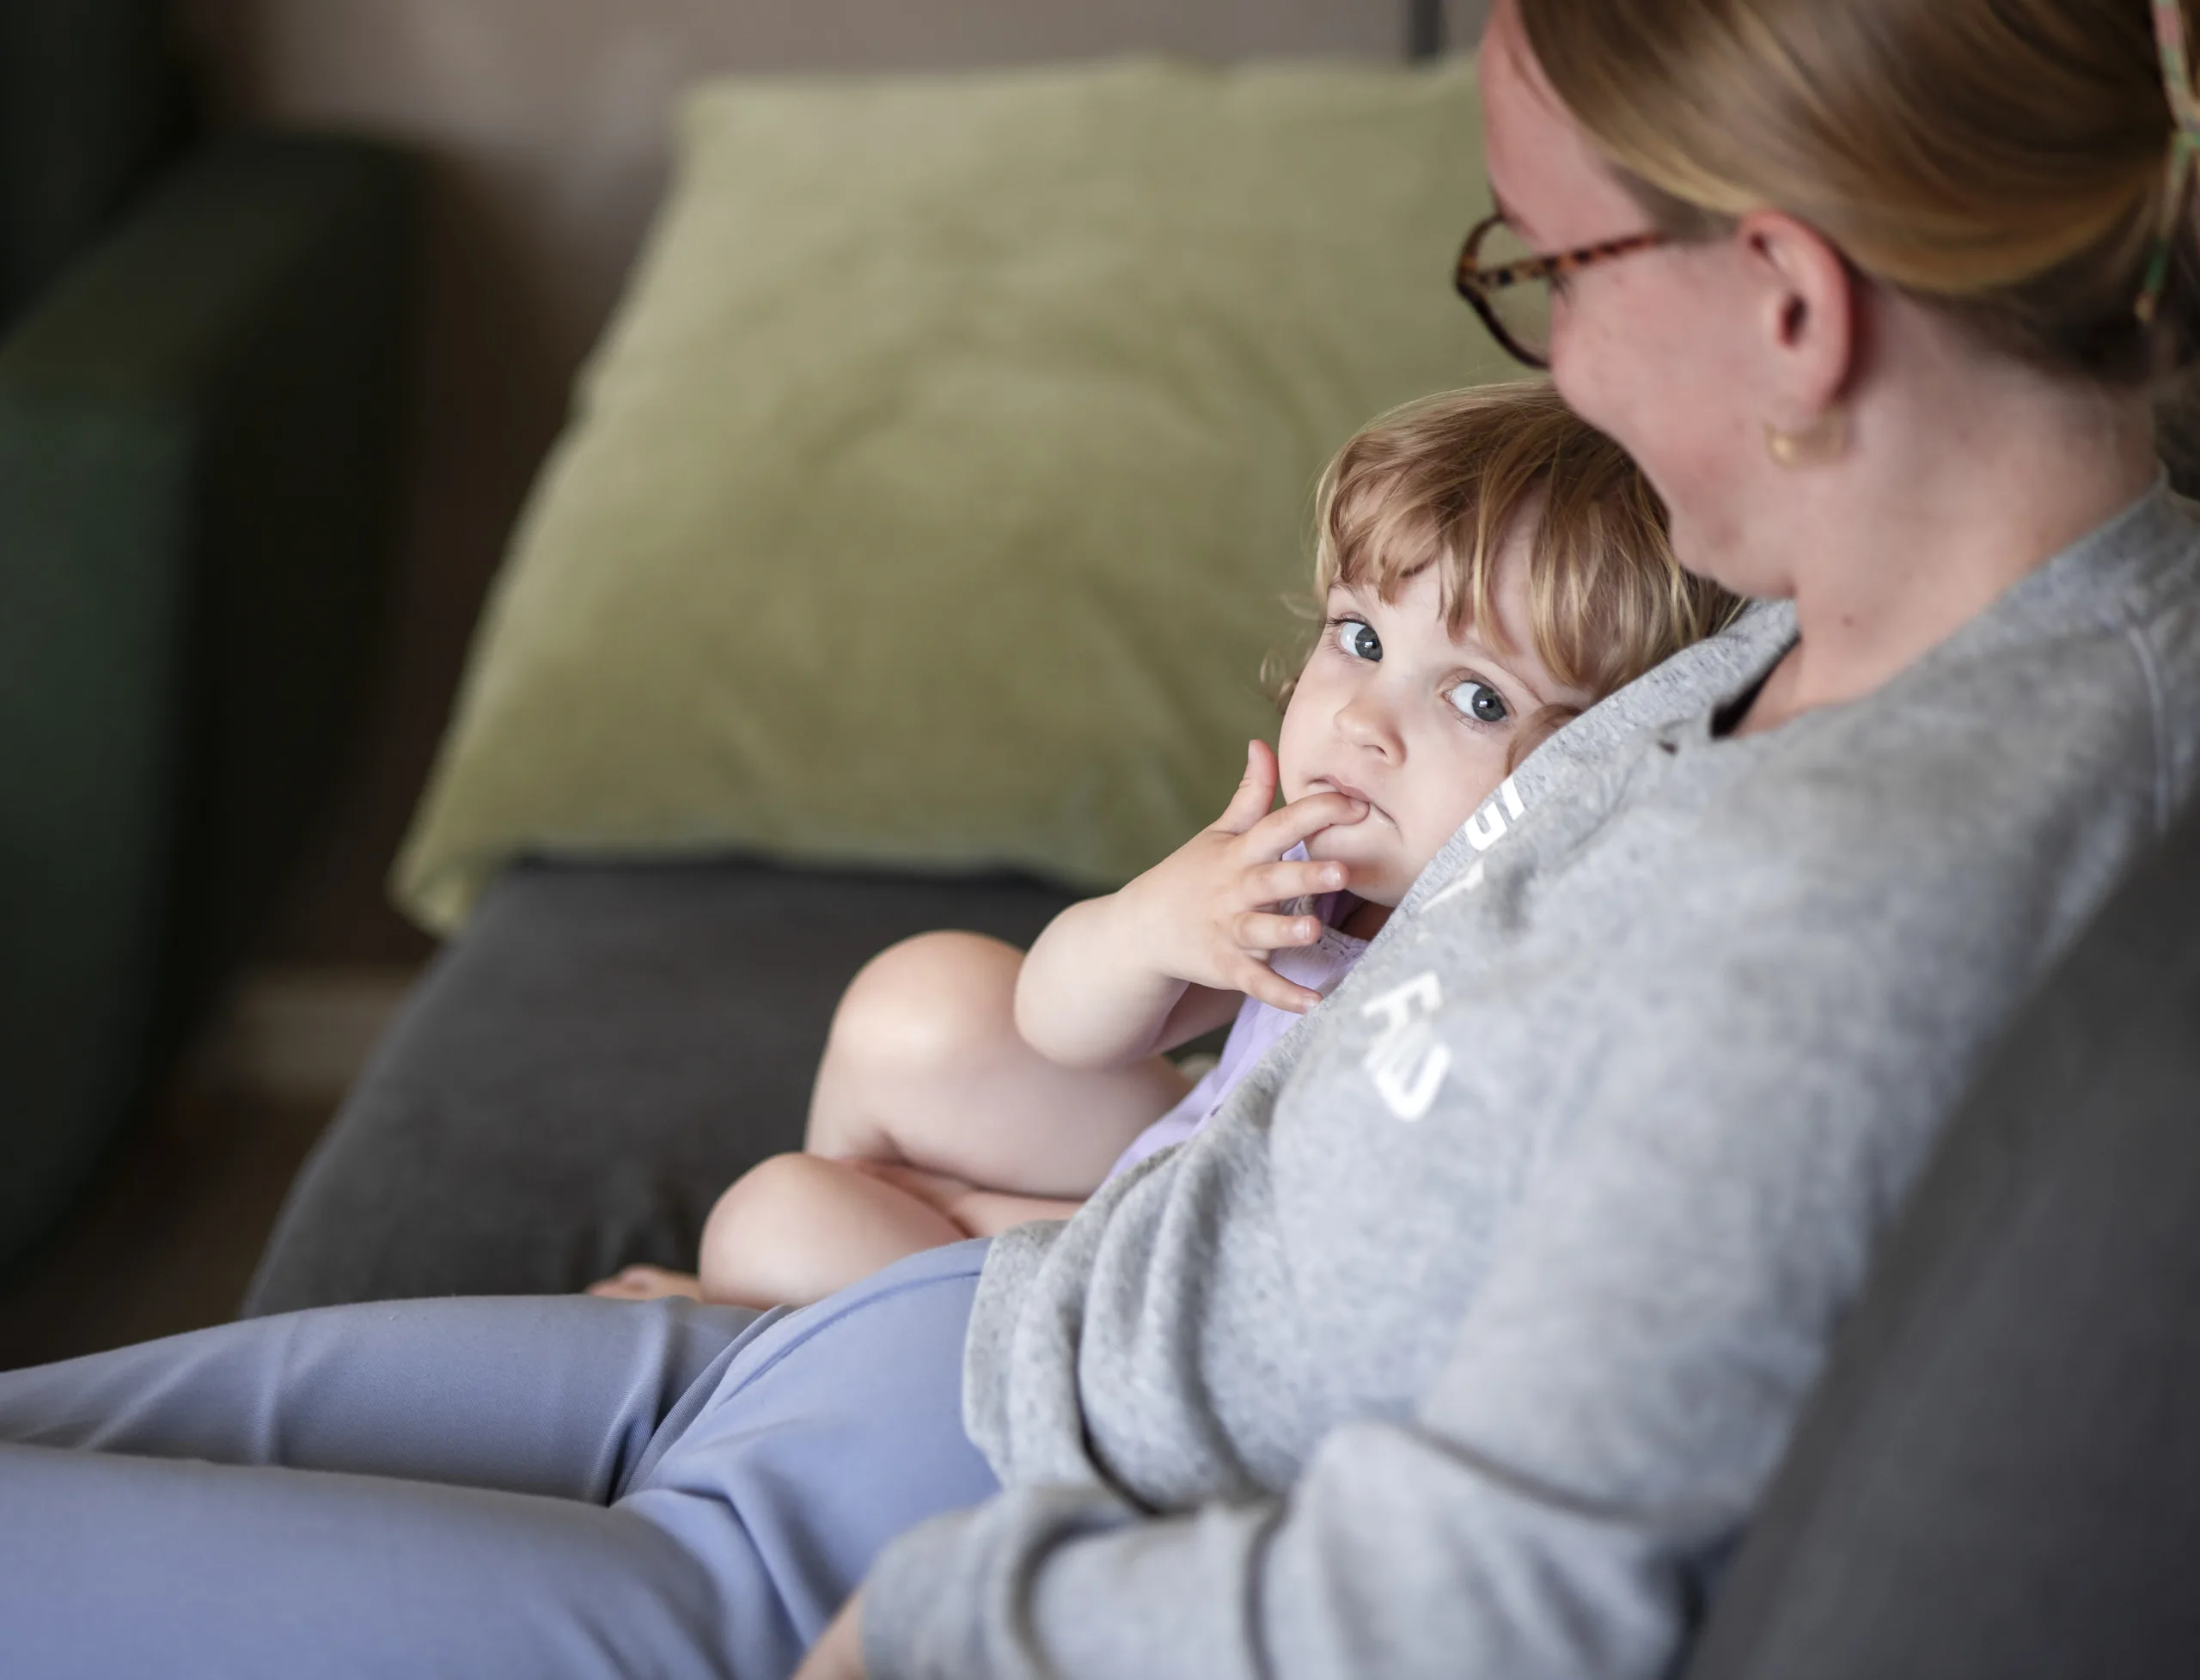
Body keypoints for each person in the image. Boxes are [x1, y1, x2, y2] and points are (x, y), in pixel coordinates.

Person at [4, 2, 2199, 1677]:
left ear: (1792, 310)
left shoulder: (1874, 894)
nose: (1555, 357)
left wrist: (965, 1627)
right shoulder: (1806, 642)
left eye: (1547, 271)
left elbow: (1501, 1587)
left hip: (941, 1536)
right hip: (942, 1340)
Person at [591, 383, 1738, 1310]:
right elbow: (1059, 1019)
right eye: (1359, 636)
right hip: (1171, 1170)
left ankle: (790, 1322)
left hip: (1192, 1284)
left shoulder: (1512, 967)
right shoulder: (1324, 879)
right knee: (918, 999)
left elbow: (1311, 1253)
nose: (1362, 721)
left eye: (1478, 700)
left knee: (782, 1216)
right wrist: (1160, 926)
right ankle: (815, 1333)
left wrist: (959, 1213)